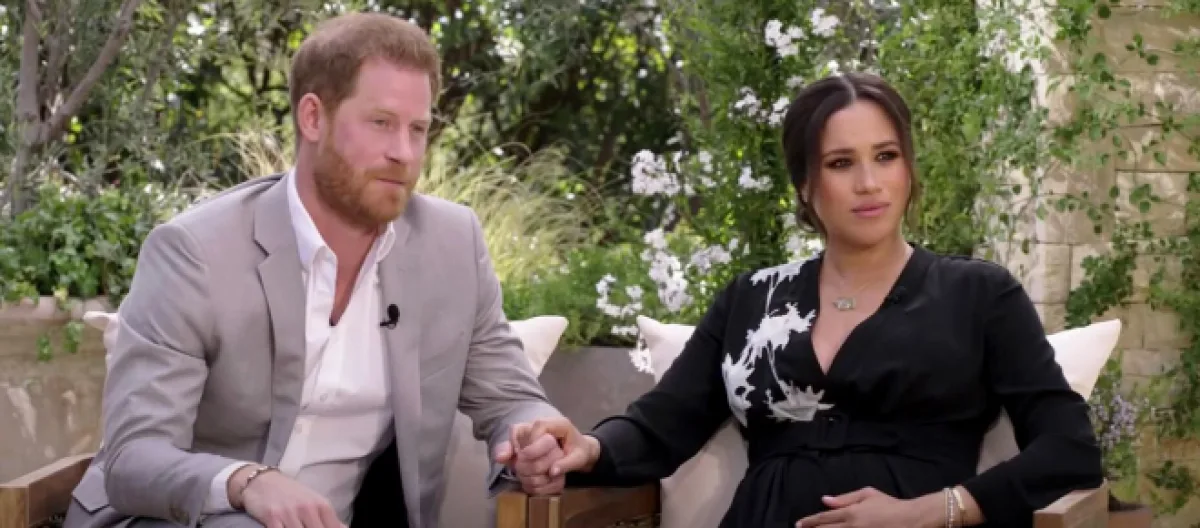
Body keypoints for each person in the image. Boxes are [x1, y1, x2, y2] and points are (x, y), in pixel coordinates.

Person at [505, 73, 1104, 528]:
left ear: (908, 168)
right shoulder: (751, 299)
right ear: (805, 186)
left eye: (886, 156)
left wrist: (932, 511)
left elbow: (1068, 449)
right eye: (841, 163)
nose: (869, 183)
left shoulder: (979, 294)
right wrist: (587, 448)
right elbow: (661, 426)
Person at [64, 12, 568, 528]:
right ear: (312, 117)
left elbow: (511, 400)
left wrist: (534, 436)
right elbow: (135, 457)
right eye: (381, 123)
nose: (403, 152)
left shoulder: (452, 245)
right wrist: (248, 483)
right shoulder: (196, 251)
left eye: (417, 129)